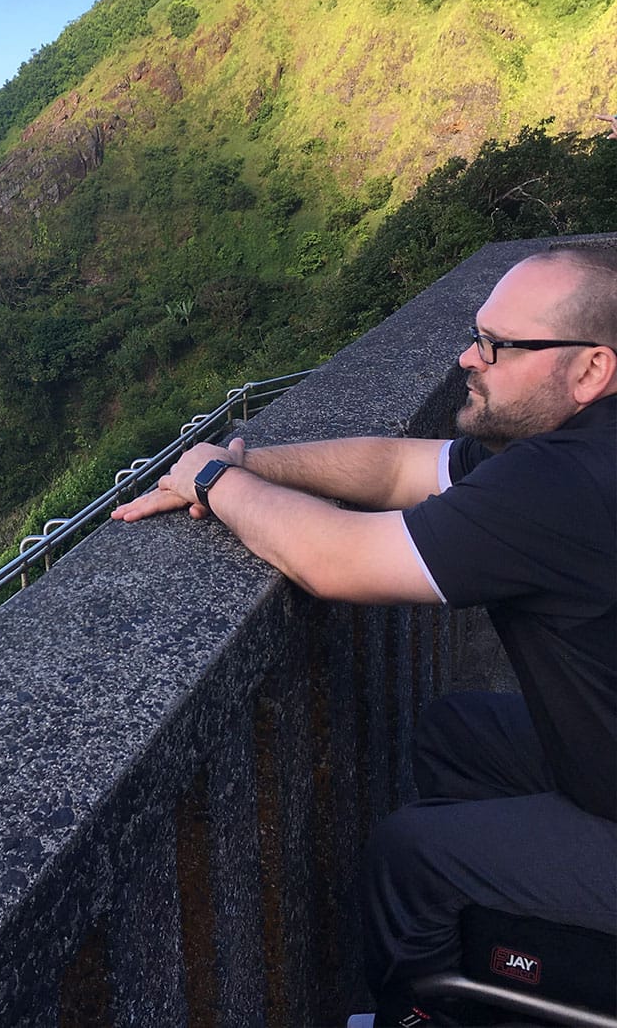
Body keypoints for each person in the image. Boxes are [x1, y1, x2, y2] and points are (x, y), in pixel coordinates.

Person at [112, 245, 617, 1025]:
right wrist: (252, 465)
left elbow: (336, 559)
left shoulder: (562, 482)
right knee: (454, 733)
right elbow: (393, 469)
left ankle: (422, 1013)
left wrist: (215, 482)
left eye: (496, 346)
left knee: (410, 854)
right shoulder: (575, 442)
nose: (467, 359)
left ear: (589, 370)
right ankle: (508, 950)